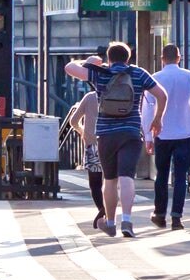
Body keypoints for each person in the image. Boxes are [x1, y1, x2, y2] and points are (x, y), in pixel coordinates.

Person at [65, 41, 167, 238]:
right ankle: (127, 220)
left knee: (110, 180)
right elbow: (162, 95)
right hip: (130, 133)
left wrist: (88, 62)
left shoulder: (100, 73)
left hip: (106, 135)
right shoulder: (139, 73)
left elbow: (69, 68)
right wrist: (157, 119)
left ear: (109, 58)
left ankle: (110, 223)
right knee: (127, 177)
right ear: (128, 58)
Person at [141, 43, 190, 231]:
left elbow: (146, 110)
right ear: (179, 58)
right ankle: (177, 217)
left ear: (162, 59)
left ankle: (159, 213)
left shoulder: (154, 79)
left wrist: (147, 136)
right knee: (181, 176)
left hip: (161, 133)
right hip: (186, 133)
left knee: (161, 175)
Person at [62, 89, 105, 229]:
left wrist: (82, 131)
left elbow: (73, 121)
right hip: (113, 143)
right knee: (112, 181)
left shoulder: (90, 97)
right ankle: (110, 211)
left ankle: (102, 210)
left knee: (95, 183)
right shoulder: (116, 94)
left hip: (93, 145)